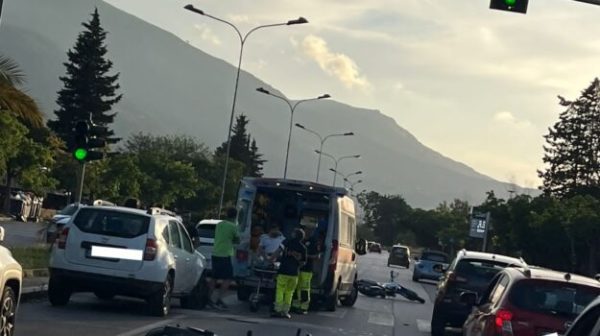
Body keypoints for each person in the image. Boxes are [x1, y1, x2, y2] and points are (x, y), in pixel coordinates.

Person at [207, 207, 240, 310]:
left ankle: (208, 298)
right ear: (235, 216)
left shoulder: (219, 224)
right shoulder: (233, 227)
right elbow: (237, 240)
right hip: (225, 254)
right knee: (228, 278)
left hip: (215, 253)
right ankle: (219, 299)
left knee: (214, 277)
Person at [271, 228, 307, 319]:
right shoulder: (303, 248)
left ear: (294, 235)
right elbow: (303, 263)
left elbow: (278, 251)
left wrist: (271, 259)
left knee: (280, 290)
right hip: (294, 274)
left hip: (283, 271)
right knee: (289, 292)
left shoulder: (287, 242)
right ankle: (285, 311)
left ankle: (278, 310)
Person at [292, 223, 322, 314]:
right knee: (296, 287)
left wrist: (305, 256)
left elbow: (317, 256)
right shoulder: (299, 241)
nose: (309, 231)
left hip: (307, 268)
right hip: (297, 267)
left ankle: (304, 307)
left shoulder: (313, 241)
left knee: (304, 288)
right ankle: (295, 305)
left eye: (311, 230)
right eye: (307, 229)